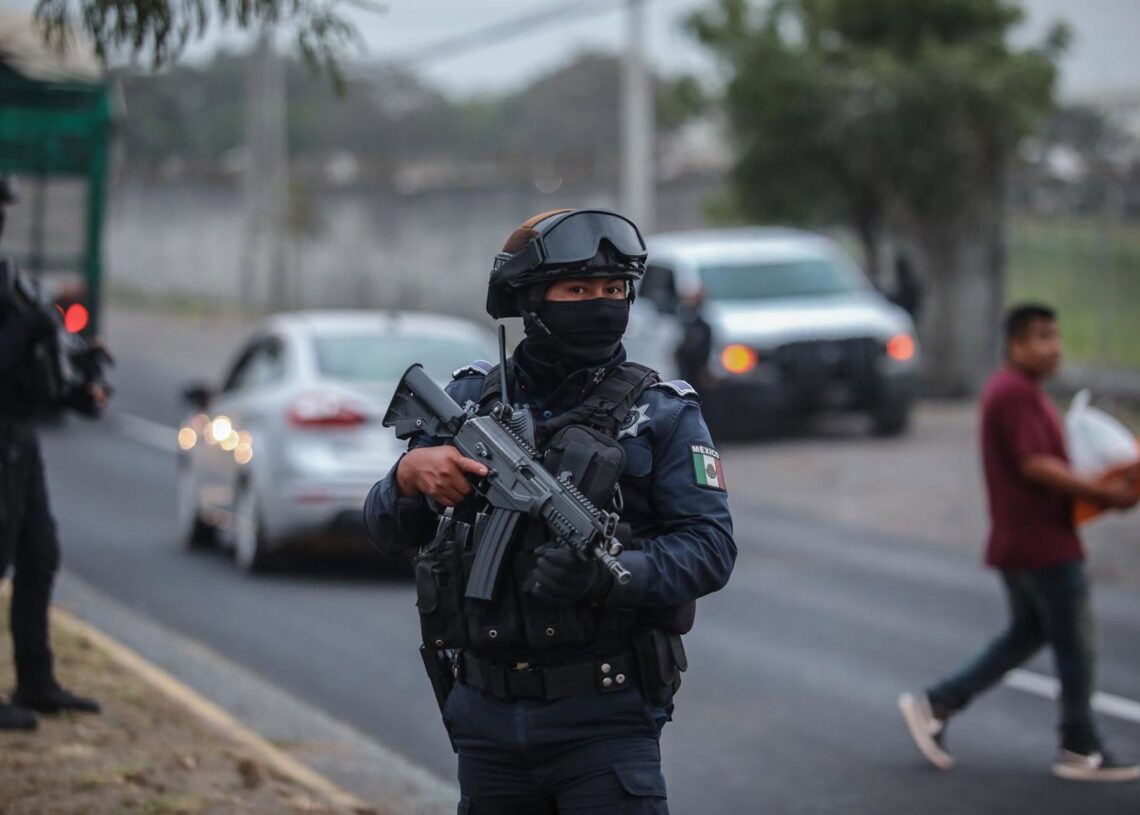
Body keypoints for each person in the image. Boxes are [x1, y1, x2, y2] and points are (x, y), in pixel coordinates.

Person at [364, 208, 736, 813]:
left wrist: (611, 576)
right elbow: (384, 530)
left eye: (613, 289)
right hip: (484, 725)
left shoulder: (662, 415)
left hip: (603, 723)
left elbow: (711, 550)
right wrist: (408, 478)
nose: (599, 304)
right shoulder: (468, 400)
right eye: (578, 289)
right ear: (531, 302)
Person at [898, 303, 1140, 782]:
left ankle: (939, 702)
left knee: (1027, 634)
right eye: (1043, 337)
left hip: (1029, 540)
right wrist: (1101, 492)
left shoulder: (1022, 392)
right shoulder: (1013, 394)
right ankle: (1079, 744)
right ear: (1016, 344)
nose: (1055, 347)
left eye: (1056, 336)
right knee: (1076, 644)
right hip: (1041, 544)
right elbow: (1035, 465)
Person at [0, 175, 104, 731]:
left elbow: (37, 360)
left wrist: (77, 389)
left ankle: (35, 681)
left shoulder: (10, 281)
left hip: (19, 440)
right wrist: (25, 328)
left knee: (39, 556)